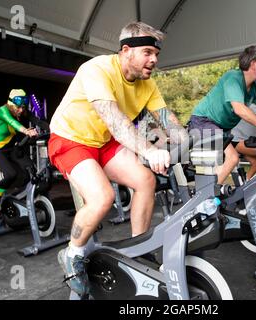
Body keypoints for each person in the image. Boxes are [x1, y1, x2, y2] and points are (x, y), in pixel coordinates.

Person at [48, 21, 188, 299]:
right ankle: (72, 253)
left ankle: (138, 250)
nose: (154, 60)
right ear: (127, 51)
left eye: (156, 54)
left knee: (146, 180)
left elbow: (167, 121)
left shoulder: (148, 84)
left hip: (103, 142)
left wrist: (195, 143)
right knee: (101, 198)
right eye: (148, 52)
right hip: (71, 139)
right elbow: (115, 121)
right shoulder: (97, 69)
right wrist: (149, 150)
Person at [188, 45, 256, 184]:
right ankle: (206, 201)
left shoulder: (255, 86)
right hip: (203, 121)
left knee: (244, 161)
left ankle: (216, 192)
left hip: (223, 128)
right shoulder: (233, 78)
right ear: (253, 63)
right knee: (232, 158)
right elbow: (239, 109)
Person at [0, 89, 39, 219]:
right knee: (11, 174)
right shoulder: (3, 111)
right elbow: (12, 122)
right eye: (18, 107)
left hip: (9, 149)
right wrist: (26, 131)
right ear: (10, 104)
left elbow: (37, 120)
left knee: (29, 172)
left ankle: (16, 199)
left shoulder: (20, 111)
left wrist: (54, 131)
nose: (21, 110)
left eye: (23, 107)